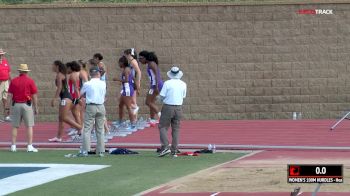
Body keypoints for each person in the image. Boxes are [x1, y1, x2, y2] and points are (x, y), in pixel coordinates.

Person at [49, 60, 82, 142]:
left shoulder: (60, 75)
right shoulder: (61, 74)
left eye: (53, 65)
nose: (51, 67)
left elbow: (60, 88)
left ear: (57, 66)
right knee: (61, 118)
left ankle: (80, 128)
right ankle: (59, 137)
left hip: (66, 98)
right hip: (65, 98)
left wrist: (54, 99)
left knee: (64, 117)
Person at [8, 64, 39, 152]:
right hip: (27, 105)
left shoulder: (13, 81)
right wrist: (36, 107)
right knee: (29, 126)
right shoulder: (30, 81)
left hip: (16, 105)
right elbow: (34, 95)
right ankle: (29, 146)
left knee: (15, 126)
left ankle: (13, 146)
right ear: (26, 72)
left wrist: (7, 108)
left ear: (19, 71)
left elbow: (10, 95)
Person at [158, 66, 187, 157]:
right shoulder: (183, 84)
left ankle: (165, 146)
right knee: (176, 129)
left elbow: (162, 96)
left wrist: (158, 100)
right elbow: (183, 97)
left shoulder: (167, 83)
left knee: (162, 127)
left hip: (168, 107)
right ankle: (174, 149)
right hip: (178, 107)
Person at [78, 66, 106, 157]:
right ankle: (101, 151)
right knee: (100, 129)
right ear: (98, 73)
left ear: (90, 74)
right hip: (101, 106)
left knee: (87, 129)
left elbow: (81, 94)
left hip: (91, 106)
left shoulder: (87, 84)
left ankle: (86, 150)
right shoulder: (103, 83)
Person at [139, 51, 163, 125]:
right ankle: (152, 119)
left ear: (145, 58)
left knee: (148, 102)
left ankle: (162, 117)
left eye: (141, 58)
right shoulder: (150, 63)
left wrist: (155, 87)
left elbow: (156, 75)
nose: (140, 60)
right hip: (154, 85)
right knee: (151, 102)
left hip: (155, 85)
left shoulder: (151, 63)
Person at [113, 56, 136, 129]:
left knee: (128, 107)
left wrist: (117, 79)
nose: (118, 64)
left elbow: (126, 80)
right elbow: (132, 78)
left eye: (119, 63)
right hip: (126, 89)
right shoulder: (127, 69)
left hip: (127, 89)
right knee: (120, 105)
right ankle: (120, 120)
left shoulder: (126, 70)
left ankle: (132, 124)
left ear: (122, 63)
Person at [93, 53, 110, 133]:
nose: (93, 59)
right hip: (101, 85)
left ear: (97, 58)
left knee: (99, 106)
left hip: (100, 86)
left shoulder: (100, 64)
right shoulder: (99, 64)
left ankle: (105, 128)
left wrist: (98, 76)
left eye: (94, 58)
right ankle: (103, 127)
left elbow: (103, 71)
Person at [66, 61, 82, 136]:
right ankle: (79, 130)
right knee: (75, 114)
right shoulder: (76, 74)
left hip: (73, 97)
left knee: (65, 114)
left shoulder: (72, 75)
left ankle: (78, 128)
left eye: (68, 68)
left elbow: (76, 88)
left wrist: (79, 99)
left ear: (71, 68)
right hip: (74, 96)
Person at [124, 48, 141, 115]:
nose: (125, 57)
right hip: (132, 81)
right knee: (133, 101)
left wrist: (138, 83)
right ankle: (134, 120)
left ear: (129, 54)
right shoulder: (131, 61)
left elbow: (139, 72)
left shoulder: (133, 61)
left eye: (125, 55)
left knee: (132, 102)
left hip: (133, 82)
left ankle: (134, 119)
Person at [0, 48, 11, 122]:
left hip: (6, 82)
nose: (1, 56)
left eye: (2, 54)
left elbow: (8, 72)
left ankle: (6, 116)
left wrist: (11, 81)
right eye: (0, 55)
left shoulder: (5, 62)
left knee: (5, 99)